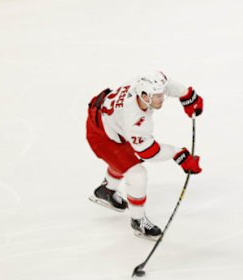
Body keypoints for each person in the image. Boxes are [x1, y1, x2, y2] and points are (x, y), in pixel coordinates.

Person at [86, 71, 203, 239]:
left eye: (160, 94)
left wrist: (187, 95)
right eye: (157, 96)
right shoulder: (135, 121)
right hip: (101, 135)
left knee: (125, 158)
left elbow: (166, 83)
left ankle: (106, 190)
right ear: (144, 96)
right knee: (137, 173)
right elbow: (149, 152)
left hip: (110, 122)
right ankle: (138, 221)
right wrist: (179, 155)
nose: (161, 98)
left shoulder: (144, 85)